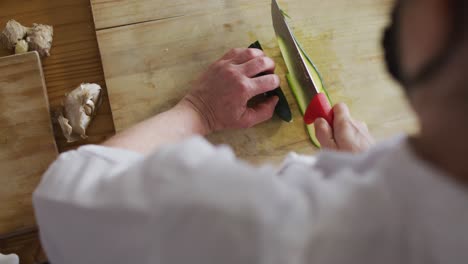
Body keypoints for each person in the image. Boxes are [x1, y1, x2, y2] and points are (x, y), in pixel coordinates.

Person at [33, 0, 468, 263]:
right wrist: (364, 171)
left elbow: (65, 198)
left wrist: (197, 110)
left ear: (441, 13)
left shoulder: (270, 230)